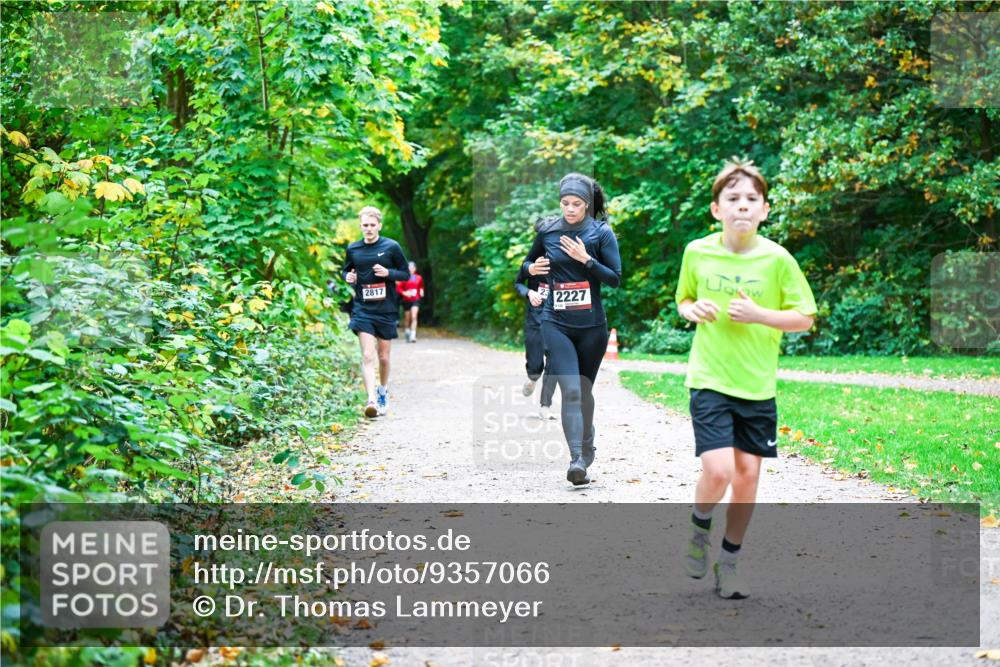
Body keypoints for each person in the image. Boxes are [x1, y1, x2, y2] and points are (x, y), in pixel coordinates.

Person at [676, 159, 816, 599]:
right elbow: (684, 298)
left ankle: (729, 562)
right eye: (732, 199)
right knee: (718, 470)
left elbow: (804, 318)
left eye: (751, 200)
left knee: (748, 475)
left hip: (757, 385)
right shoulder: (697, 251)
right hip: (710, 377)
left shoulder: (778, 260)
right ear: (716, 209)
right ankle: (700, 529)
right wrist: (690, 310)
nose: (742, 206)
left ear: (765, 210)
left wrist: (760, 315)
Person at [522, 173, 621, 485]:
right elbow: (525, 267)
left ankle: (587, 441)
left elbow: (615, 278)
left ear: (587, 204)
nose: (570, 209)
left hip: (592, 327)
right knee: (572, 390)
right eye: (565, 203)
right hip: (556, 322)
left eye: (576, 204)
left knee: (585, 392)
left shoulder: (601, 233)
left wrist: (587, 260)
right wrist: (530, 269)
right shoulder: (548, 231)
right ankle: (577, 458)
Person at [342, 206, 410, 418]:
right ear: (360, 226)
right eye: (365, 225)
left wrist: (388, 273)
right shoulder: (353, 249)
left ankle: (382, 391)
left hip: (386, 309)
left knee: (384, 357)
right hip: (363, 309)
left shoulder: (391, 247)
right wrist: (347, 277)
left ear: (379, 225)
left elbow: (405, 274)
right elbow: (346, 269)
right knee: (368, 354)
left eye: (372, 225)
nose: (369, 229)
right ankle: (371, 400)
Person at [514, 252, 557, 419]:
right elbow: (518, 283)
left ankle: (545, 406)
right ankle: (532, 378)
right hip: (535, 317)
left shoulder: (567, 259)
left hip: (557, 318)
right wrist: (530, 293)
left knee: (554, 360)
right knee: (535, 363)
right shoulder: (533, 262)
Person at [396, 261, 425, 343]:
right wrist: (404, 293)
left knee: (414, 316)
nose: (411, 269)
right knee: (407, 318)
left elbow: (421, 286)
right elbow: (398, 288)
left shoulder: (419, 277)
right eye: (409, 267)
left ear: (415, 269)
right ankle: (407, 330)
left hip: (416, 299)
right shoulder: (404, 277)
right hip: (406, 300)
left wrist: (422, 291)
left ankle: (413, 335)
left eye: (412, 267)